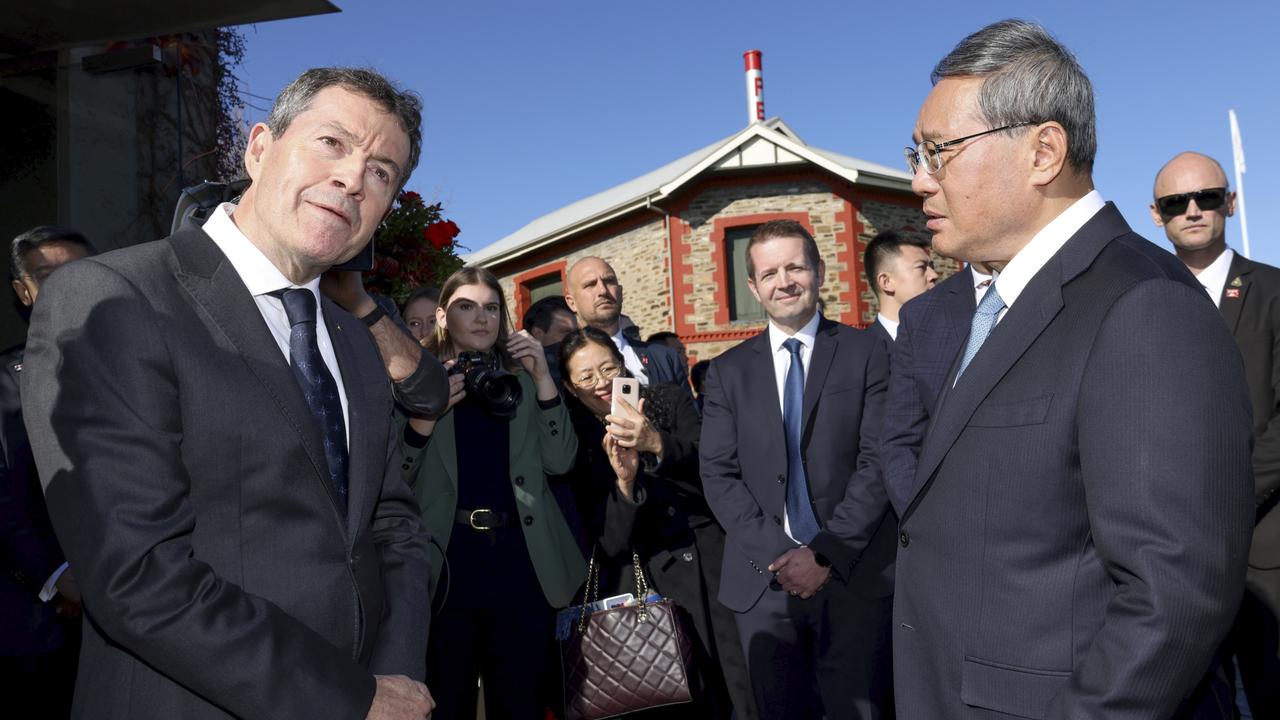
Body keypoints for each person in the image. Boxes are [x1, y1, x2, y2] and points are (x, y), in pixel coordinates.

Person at [21, 68, 439, 719]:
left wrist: (396, 675)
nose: (355, 178)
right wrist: (348, 699)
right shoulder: (113, 298)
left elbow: (394, 527)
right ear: (259, 148)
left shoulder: (357, 343)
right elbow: (137, 572)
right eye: (332, 143)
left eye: (382, 172)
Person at [893, 20, 1253, 720]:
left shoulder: (1144, 306)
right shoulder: (994, 304)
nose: (919, 180)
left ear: (1044, 151)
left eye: (939, 152)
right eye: (917, 154)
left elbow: (1172, 596)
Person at [700, 219, 895, 719]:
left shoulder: (867, 351)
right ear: (753, 287)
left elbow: (878, 461)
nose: (783, 281)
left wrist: (824, 554)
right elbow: (719, 476)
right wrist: (784, 554)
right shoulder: (727, 371)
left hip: (852, 575)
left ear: (819, 271)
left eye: (794, 267)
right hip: (764, 585)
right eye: (768, 273)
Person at [398, 266, 583, 720]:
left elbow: (561, 461)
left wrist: (542, 378)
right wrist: (426, 415)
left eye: (491, 308)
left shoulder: (522, 381)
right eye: (466, 307)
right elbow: (394, 478)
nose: (481, 319)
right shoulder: (413, 383)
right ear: (442, 316)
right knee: (448, 702)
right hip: (447, 567)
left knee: (519, 704)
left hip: (522, 564)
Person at [557, 326, 757, 719]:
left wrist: (656, 444)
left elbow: (716, 471)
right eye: (586, 377)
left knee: (739, 692)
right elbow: (608, 540)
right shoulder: (575, 441)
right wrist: (625, 483)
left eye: (608, 368)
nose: (601, 383)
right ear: (570, 386)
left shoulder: (668, 400)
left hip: (710, 568)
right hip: (645, 589)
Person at [1152, 150, 1280, 717]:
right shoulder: (1140, 300)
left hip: (1262, 546)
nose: (1194, 210)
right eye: (1176, 202)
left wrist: (1229, 498)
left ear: (1230, 202)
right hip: (1169, 553)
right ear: (1157, 216)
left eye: (1207, 197)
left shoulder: (1274, 292)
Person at [1, 225, 93, 718]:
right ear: (24, 291)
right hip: (32, 626)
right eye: (45, 276)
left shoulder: (149, 368)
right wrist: (57, 575)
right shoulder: (1, 384)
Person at [878, 261, 991, 516]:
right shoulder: (921, 314)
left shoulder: (1076, 283)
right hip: (947, 528)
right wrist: (925, 521)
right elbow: (900, 439)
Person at [562, 256, 688, 389]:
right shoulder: (558, 365)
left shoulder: (665, 357)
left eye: (609, 281)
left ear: (620, 292)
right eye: (590, 284)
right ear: (572, 303)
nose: (603, 290)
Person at [863, 230, 938, 344]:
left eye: (932, 267)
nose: (934, 275)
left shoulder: (947, 341)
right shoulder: (862, 351)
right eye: (921, 267)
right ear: (886, 282)